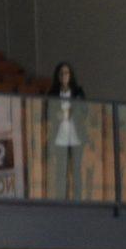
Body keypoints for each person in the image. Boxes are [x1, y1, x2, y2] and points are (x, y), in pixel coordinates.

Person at [47, 61, 87, 201]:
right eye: (62, 73)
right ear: (58, 76)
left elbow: (84, 111)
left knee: (76, 170)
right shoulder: (52, 93)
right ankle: (61, 200)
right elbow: (50, 113)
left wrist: (69, 112)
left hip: (76, 136)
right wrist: (63, 113)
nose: (64, 75)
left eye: (67, 73)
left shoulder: (78, 92)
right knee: (61, 171)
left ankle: (77, 200)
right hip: (60, 136)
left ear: (71, 75)